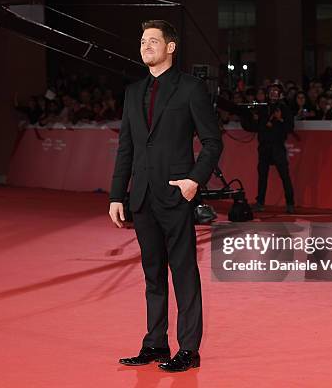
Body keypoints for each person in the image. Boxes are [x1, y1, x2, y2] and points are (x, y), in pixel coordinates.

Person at [109, 20, 222, 372]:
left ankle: (189, 349)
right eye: (143, 41)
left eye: (153, 41)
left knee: (184, 272)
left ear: (170, 47)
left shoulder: (190, 89)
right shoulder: (132, 92)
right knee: (152, 273)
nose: (146, 46)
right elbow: (125, 147)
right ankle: (155, 344)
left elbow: (212, 142)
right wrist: (117, 195)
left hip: (177, 195)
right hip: (141, 196)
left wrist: (193, 181)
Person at [239, 83, 295, 213]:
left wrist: (280, 119)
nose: (273, 94)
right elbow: (253, 127)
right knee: (262, 176)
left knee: (284, 176)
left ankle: (290, 203)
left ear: (280, 94)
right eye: (271, 91)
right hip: (264, 146)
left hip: (277, 146)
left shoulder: (284, 108)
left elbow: (290, 128)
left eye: (276, 91)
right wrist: (250, 117)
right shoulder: (262, 108)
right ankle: (260, 202)